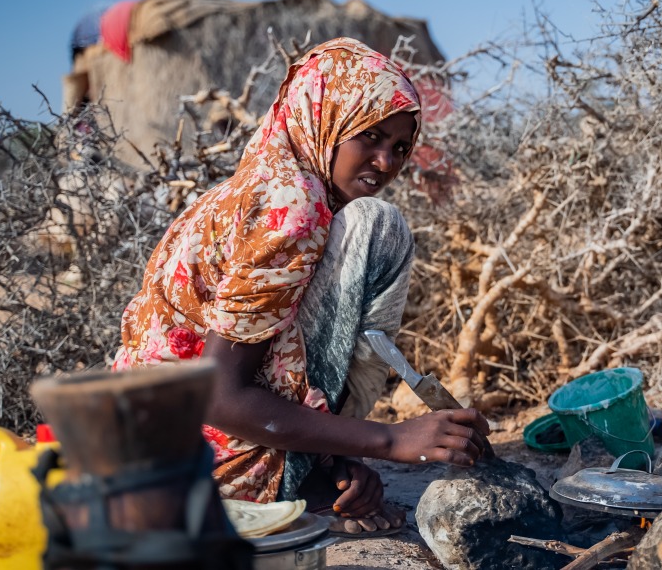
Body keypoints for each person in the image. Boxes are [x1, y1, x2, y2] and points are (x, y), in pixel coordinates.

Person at [111, 37, 489, 535]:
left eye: (399, 147)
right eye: (370, 136)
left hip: (135, 447)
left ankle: (316, 466)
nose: (386, 161)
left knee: (365, 222)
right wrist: (389, 440)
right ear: (325, 120)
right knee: (378, 225)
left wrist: (339, 456)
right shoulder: (294, 206)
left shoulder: (261, 181)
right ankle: (287, 480)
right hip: (195, 466)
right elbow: (218, 395)